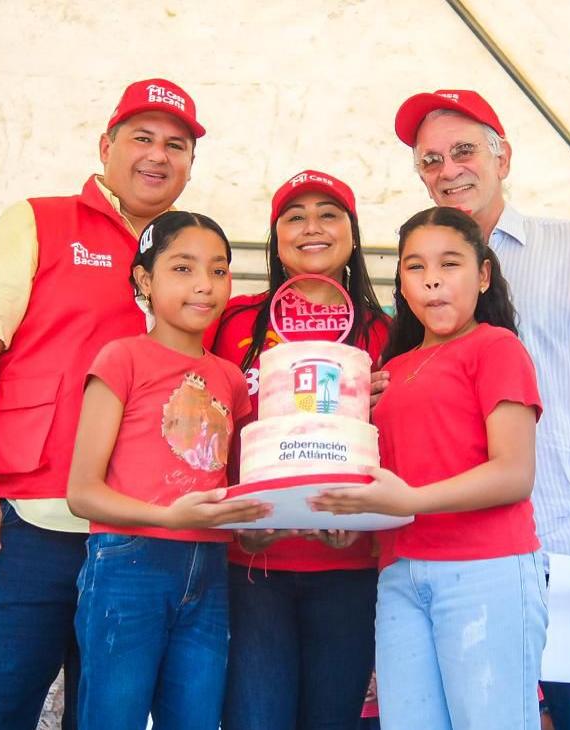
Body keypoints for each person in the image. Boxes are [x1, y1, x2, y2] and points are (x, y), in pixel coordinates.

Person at [0, 77, 205, 729]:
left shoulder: (193, 257)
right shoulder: (37, 219)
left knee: (107, 719)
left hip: (136, 535)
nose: (157, 155)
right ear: (105, 146)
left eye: (176, 145)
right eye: (141, 138)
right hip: (25, 524)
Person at [393, 88, 570, 727]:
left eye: (463, 151)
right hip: (464, 557)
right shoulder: (421, 270)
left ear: (502, 157)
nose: (448, 170)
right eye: (430, 161)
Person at [312, 206, 545, 729]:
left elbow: (514, 473)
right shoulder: (389, 372)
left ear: (484, 275)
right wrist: (347, 519)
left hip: (487, 570)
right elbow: (390, 485)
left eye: (451, 264)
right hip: (400, 574)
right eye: (415, 266)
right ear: (400, 280)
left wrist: (411, 503)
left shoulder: (497, 348)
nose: (433, 279)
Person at [66, 211, 268, 729]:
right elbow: (82, 493)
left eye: (219, 270)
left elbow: (236, 486)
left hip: (211, 570)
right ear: (144, 279)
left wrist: (263, 522)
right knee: (113, 718)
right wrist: (169, 517)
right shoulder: (121, 358)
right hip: (128, 566)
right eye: (183, 269)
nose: (205, 285)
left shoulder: (229, 378)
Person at [208, 169, 389, 730]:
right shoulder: (233, 321)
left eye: (329, 213)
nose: (312, 226)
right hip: (252, 564)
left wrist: (365, 517)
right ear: (276, 236)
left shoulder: (387, 331)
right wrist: (236, 521)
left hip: (349, 567)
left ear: (353, 235)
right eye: (295, 215)